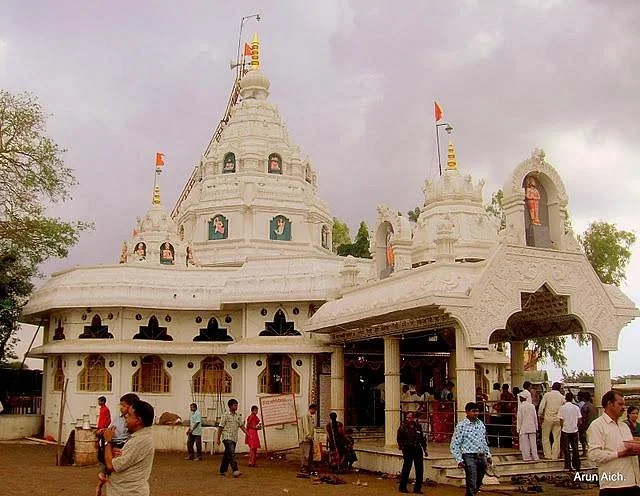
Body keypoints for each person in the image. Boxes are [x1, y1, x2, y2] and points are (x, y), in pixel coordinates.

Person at [588, 390, 640, 495]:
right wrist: (620, 454)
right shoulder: (597, 425)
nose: (623, 408)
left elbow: (628, 445)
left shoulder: (624, 426)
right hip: (613, 485)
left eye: (624, 405)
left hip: (633, 483)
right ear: (609, 404)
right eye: (620, 404)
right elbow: (594, 455)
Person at [102, 400, 155, 496]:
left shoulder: (140, 440)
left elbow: (110, 466)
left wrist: (107, 441)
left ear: (138, 421)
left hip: (129, 492)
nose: (125, 416)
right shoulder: (137, 437)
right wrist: (115, 454)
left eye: (129, 415)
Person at [96, 393, 140, 495]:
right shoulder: (118, 418)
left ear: (132, 407)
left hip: (122, 444)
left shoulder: (133, 421)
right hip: (112, 440)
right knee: (102, 453)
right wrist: (103, 431)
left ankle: (105, 475)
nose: (121, 408)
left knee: (114, 463)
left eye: (124, 405)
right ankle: (103, 474)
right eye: (121, 405)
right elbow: (110, 427)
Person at [450, 402, 492, 496]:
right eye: (473, 411)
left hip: (481, 455)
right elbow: (455, 444)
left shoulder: (480, 424)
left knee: (479, 480)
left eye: (477, 411)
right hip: (469, 455)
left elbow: (483, 441)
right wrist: (459, 459)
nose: (476, 413)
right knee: (471, 480)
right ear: (467, 412)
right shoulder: (461, 426)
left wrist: (488, 455)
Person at [397, 411, 427, 494]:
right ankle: (402, 487)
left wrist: (424, 448)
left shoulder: (417, 426)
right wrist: (403, 447)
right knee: (407, 468)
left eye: (411, 417)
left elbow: (422, 438)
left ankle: (417, 488)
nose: (409, 419)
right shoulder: (403, 427)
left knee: (419, 469)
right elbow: (399, 439)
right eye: (408, 417)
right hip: (408, 449)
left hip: (417, 448)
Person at [216, 398, 247, 477]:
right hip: (226, 437)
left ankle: (222, 470)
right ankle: (235, 470)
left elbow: (242, 426)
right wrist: (218, 438)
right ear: (230, 406)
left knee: (228, 454)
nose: (236, 407)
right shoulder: (225, 415)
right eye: (235, 405)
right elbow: (221, 427)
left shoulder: (238, 416)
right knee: (232, 454)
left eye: (237, 405)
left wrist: (247, 433)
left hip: (234, 438)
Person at [538, 382, 565, 459]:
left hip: (548, 419)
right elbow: (564, 406)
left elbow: (541, 406)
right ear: (559, 388)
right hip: (558, 419)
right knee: (557, 438)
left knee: (545, 437)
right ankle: (555, 455)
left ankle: (548, 455)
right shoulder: (561, 397)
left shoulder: (547, 395)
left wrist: (539, 415)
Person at [559, 392, 581, 471]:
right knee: (575, 448)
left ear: (565, 398)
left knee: (566, 448)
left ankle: (568, 465)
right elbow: (579, 420)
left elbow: (561, 420)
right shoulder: (576, 408)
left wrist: (563, 427)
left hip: (565, 430)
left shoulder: (562, 408)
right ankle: (577, 465)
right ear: (572, 398)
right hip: (574, 430)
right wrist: (576, 426)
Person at [516, 392, 539, 461]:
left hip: (524, 427)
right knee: (533, 443)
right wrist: (536, 427)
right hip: (532, 426)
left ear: (522, 398)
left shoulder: (521, 407)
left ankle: (526, 457)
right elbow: (535, 417)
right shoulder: (532, 406)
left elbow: (519, 418)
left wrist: (518, 428)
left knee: (525, 443)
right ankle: (535, 457)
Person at [298, 403, 317, 475]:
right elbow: (306, 427)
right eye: (315, 409)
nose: (315, 412)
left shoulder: (310, 417)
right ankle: (304, 467)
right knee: (306, 454)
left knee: (309, 454)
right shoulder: (306, 416)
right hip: (305, 439)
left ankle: (308, 467)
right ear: (312, 409)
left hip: (309, 439)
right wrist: (309, 436)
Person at [580, 392, 598, 456]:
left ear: (583, 398)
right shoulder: (593, 406)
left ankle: (585, 452)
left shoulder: (585, 407)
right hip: (594, 425)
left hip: (587, 425)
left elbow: (584, 418)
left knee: (584, 439)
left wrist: (582, 426)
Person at [97, 396, 112, 469]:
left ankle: (103, 459)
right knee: (98, 443)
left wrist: (103, 428)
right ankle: (100, 458)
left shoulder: (106, 409)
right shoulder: (102, 409)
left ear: (103, 402)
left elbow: (108, 419)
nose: (99, 402)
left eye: (100, 401)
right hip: (100, 428)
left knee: (102, 443)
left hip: (102, 429)